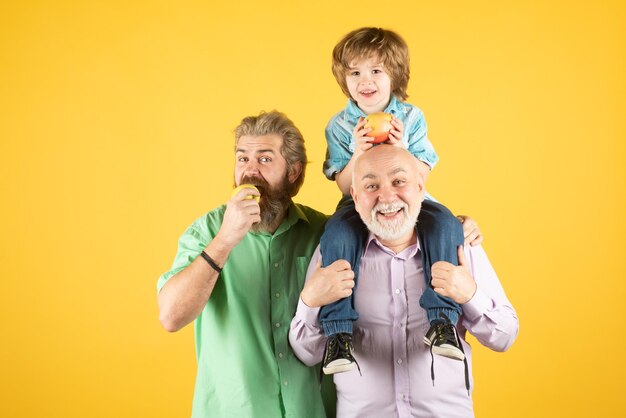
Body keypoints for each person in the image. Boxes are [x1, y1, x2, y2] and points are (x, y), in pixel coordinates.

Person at [289, 145, 519, 417]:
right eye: (371, 185)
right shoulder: (332, 254)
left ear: (420, 187)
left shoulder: (460, 248)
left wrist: (470, 295)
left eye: (399, 181)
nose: (386, 196)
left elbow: (504, 337)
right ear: (355, 195)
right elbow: (308, 354)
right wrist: (310, 302)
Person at [319, 26, 482, 374]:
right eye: (356, 72)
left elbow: (420, 175)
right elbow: (345, 187)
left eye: (376, 71)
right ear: (344, 79)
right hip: (359, 202)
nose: (366, 80)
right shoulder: (338, 126)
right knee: (336, 234)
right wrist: (357, 154)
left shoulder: (411, 118)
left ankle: (441, 322)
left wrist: (400, 148)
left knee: (444, 224)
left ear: (394, 75)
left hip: (410, 200)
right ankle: (338, 333)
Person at [157, 111, 333, 417]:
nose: (250, 171)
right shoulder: (207, 232)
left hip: (311, 410)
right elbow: (171, 317)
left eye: (265, 159)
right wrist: (225, 240)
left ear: (293, 171)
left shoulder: (323, 232)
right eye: (243, 159)